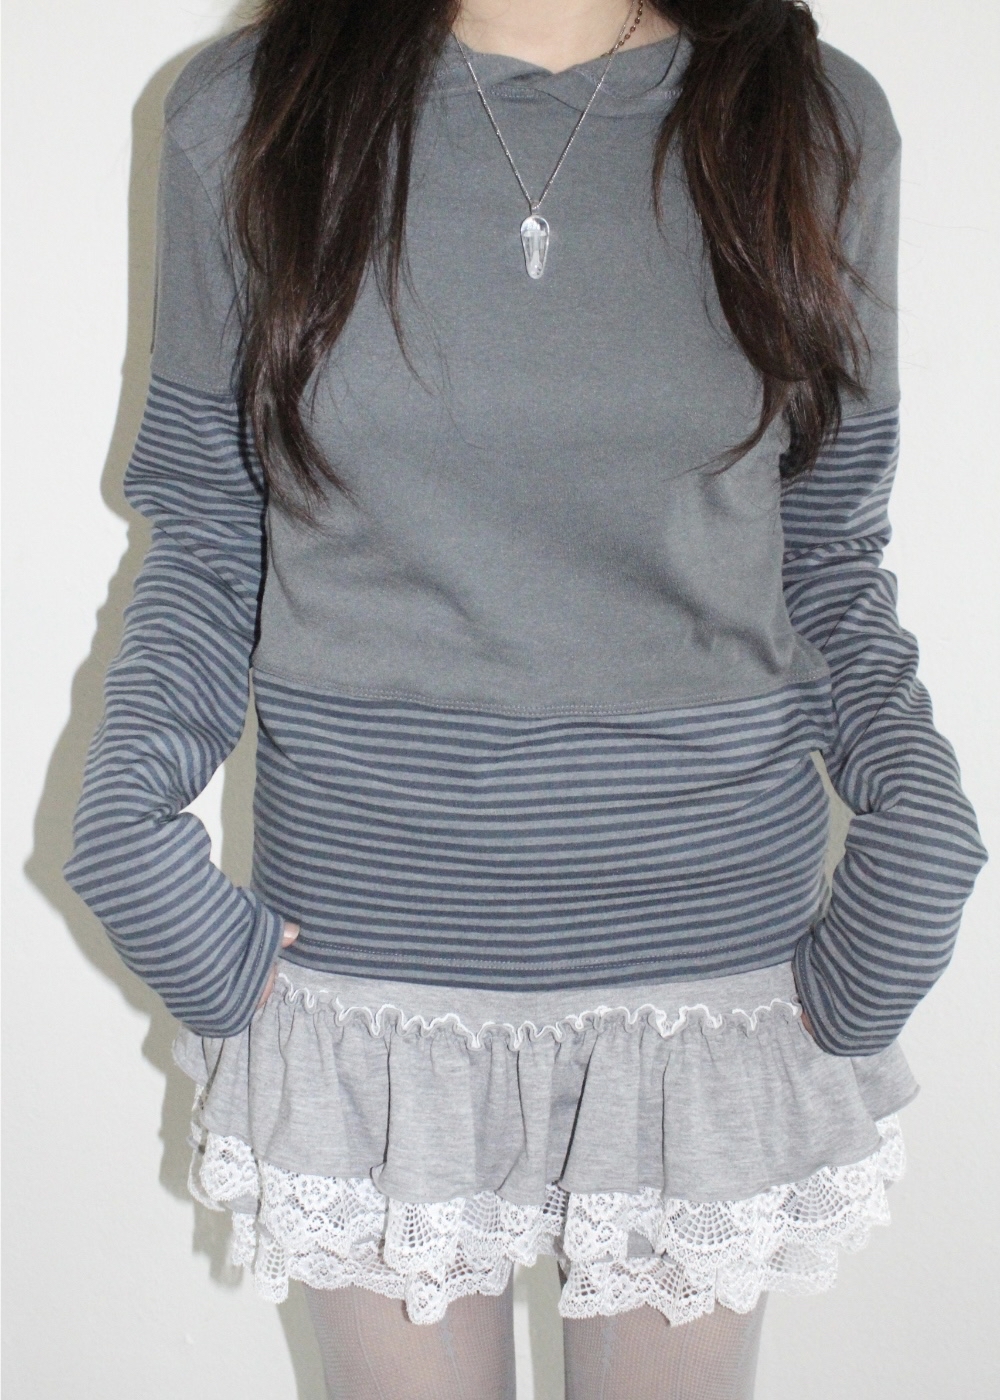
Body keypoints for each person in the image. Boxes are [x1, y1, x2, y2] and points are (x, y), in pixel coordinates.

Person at [65, 0, 987, 1395]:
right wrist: (126, 825)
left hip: (710, 977)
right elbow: (208, 531)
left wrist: (920, 822)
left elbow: (827, 549)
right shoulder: (254, 109)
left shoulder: (809, 117)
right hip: (369, 973)